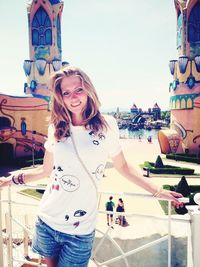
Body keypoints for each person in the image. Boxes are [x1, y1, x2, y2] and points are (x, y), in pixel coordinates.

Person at [0, 66, 183, 267]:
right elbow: (45, 171)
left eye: (78, 90)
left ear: (88, 90)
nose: (73, 97)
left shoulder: (107, 125)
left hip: (80, 229)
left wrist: (158, 191)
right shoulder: (56, 127)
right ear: (60, 97)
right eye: (66, 92)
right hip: (48, 220)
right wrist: (11, 180)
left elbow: (122, 167)